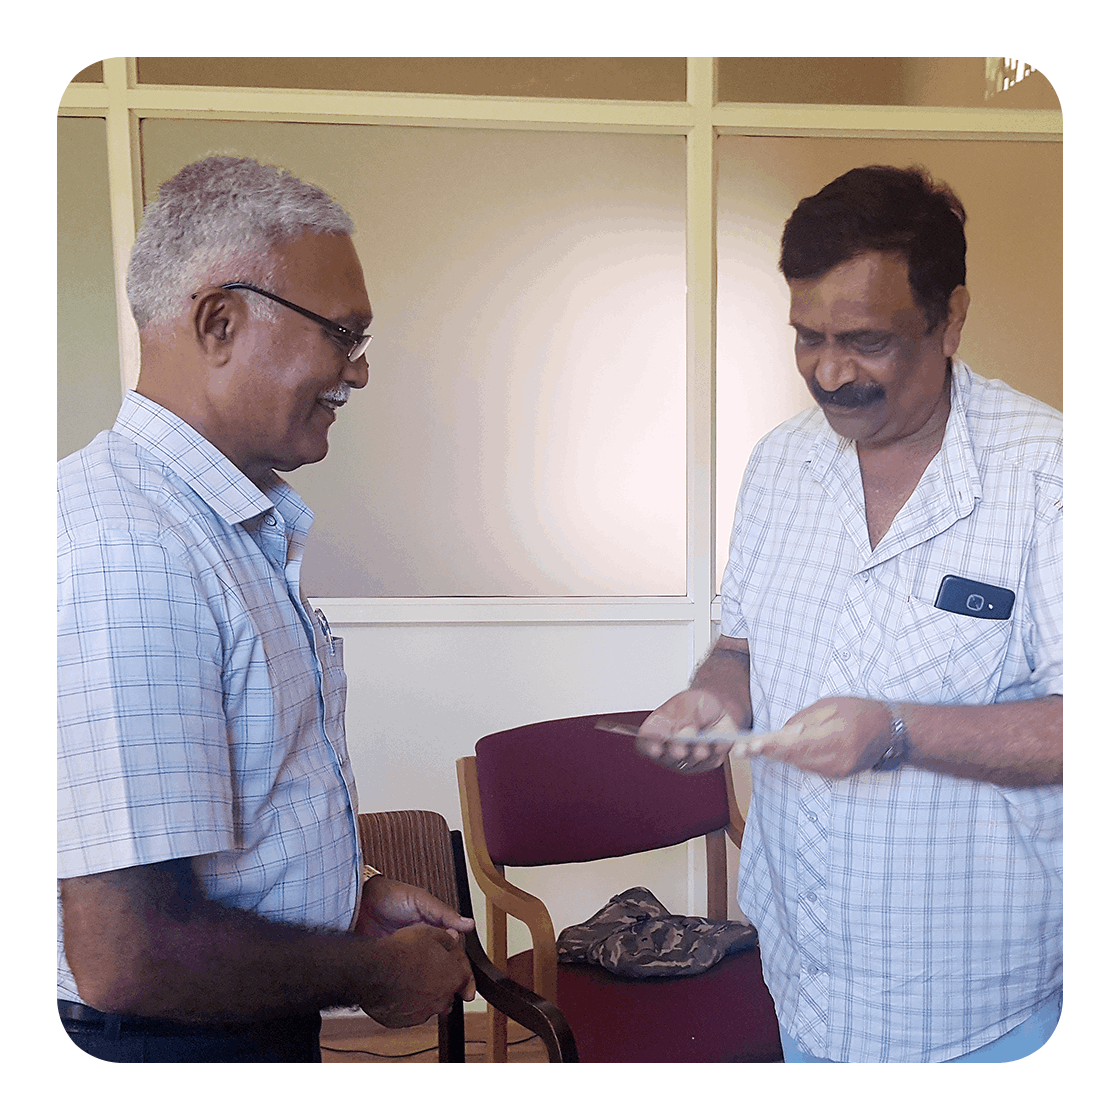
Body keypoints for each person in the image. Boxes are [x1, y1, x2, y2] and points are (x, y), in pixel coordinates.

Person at [637, 166, 1063, 1064]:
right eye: (808, 337)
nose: (829, 373)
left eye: (865, 340)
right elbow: (741, 644)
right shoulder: (780, 466)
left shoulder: (1049, 476)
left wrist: (898, 731)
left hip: (983, 1008)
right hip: (806, 976)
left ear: (950, 319)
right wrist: (714, 700)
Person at [56, 156, 475, 1064]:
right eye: (343, 335)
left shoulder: (222, 528)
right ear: (219, 321)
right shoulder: (130, 548)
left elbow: (235, 824)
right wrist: (370, 974)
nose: (355, 374)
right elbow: (128, 956)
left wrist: (347, 901)